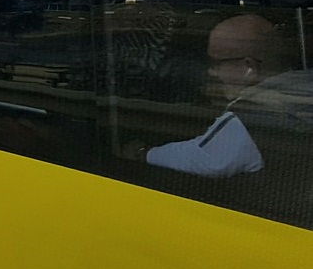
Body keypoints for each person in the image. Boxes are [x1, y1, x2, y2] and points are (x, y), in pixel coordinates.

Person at [127, 13, 312, 178]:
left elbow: (205, 158)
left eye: (216, 63)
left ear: (248, 67)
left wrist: (144, 152)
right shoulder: (303, 85)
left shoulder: (254, 111)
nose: (212, 72)